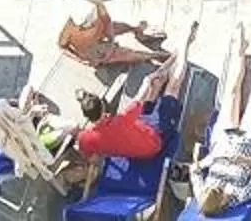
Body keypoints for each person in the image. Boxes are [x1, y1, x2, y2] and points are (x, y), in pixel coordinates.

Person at [194, 21, 251, 217]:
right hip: (250, 143)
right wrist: (243, 160)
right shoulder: (241, 195)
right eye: (219, 191)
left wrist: (210, 159)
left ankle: (239, 48)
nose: (216, 186)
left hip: (223, 140)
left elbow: (194, 170)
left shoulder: (202, 194)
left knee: (232, 93)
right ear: (222, 202)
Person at [75, 25, 191, 164]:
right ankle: (185, 44)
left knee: (154, 88)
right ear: (103, 107)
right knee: (172, 88)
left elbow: (91, 158)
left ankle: (175, 56)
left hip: (136, 142)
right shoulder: (123, 118)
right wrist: (148, 80)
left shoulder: (84, 139)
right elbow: (141, 95)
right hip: (154, 144)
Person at [59, 0, 172, 69]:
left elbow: (107, 22)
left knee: (124, 26)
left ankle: (138, 32)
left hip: (102, 32)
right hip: (93, 49)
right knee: (125, 53)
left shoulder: (97, 5)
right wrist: (81, 59)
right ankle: (154, 56)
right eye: (83, 25)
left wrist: (111, 38)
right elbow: (62, 48)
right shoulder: (68, 30)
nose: (85, 25)